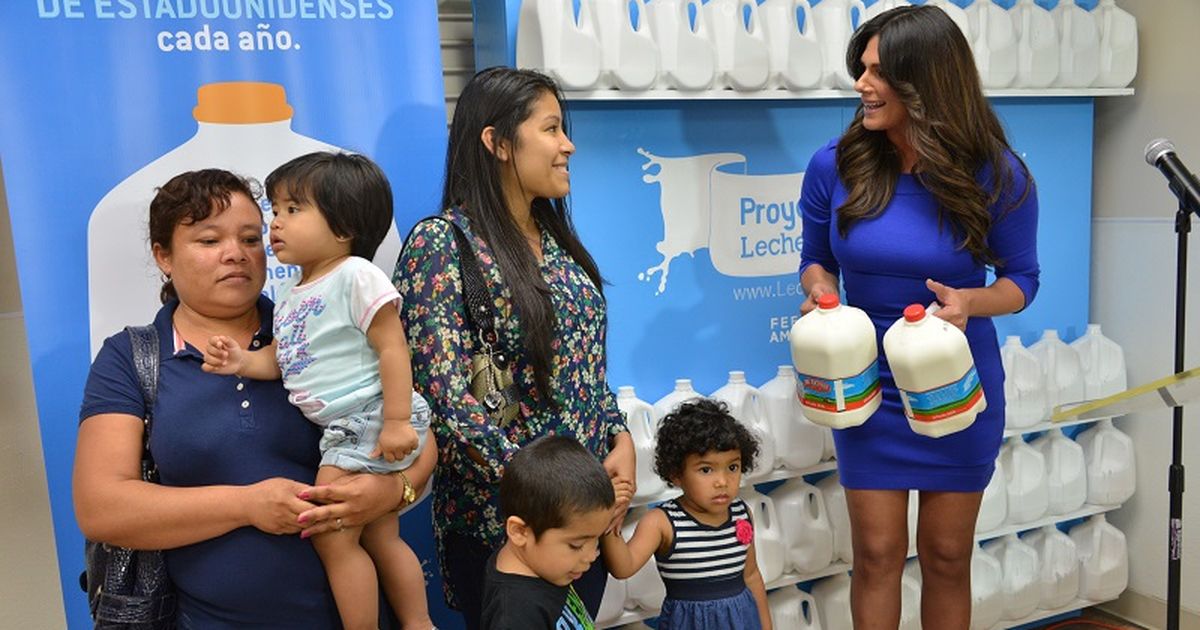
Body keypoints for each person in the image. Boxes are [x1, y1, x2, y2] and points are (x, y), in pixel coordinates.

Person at [74, 168, 436, 628]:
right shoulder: (131, 358)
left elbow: (414, 437)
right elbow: (102, 508)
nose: (236, 255)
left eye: (250, 238)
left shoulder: (321, 324)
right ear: (163, 255)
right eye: (209, 241)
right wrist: (247, 505)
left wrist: (386, 491)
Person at [797, 6, 1040, 629]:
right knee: (876, 555)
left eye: (878, 71)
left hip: (952, 382)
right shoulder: (836, 164)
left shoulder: (998, 173)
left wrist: (971, 302)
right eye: (861, 68)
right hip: (862, 385)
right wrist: (820, 290)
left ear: (926, 81)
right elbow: (815, 260)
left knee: (946, 555)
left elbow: (1021, 281)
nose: (861, 84)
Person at [392, 66, 635, 629]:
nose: (567, 144)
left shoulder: (558, 243)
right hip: (506, 528)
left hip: (582, 523)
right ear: (497, 142)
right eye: (551, 129)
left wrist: (617, 434)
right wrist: (550, 493)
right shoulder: (442, 244)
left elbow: (586, 371)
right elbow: (445, 399)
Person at [201, 153, 433, 630]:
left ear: (344, 226)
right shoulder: (293, 295)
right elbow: (287, 361)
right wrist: (243, 362)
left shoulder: (356, 275)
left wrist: (395, 421)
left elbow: (392, 348)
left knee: (331, 534)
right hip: (348, 425)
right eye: (276, 210)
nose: (275, 224)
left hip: (367, 417)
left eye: (293, 209)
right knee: (379, 534)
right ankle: (418, 623)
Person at [600, 399, 771, 630]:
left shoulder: (742, 513)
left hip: (743, 622)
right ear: (676, 474)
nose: (722, 482)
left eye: (732, 467)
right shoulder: (662, 522)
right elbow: (623, 567)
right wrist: (609, 512)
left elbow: (751, 576)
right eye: (706, 469)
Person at [479, 435, 615, 630]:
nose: (591, 556)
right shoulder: (515, 616)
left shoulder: (545, 566)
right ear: (519, 532)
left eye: (597, 540)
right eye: (576, 545)